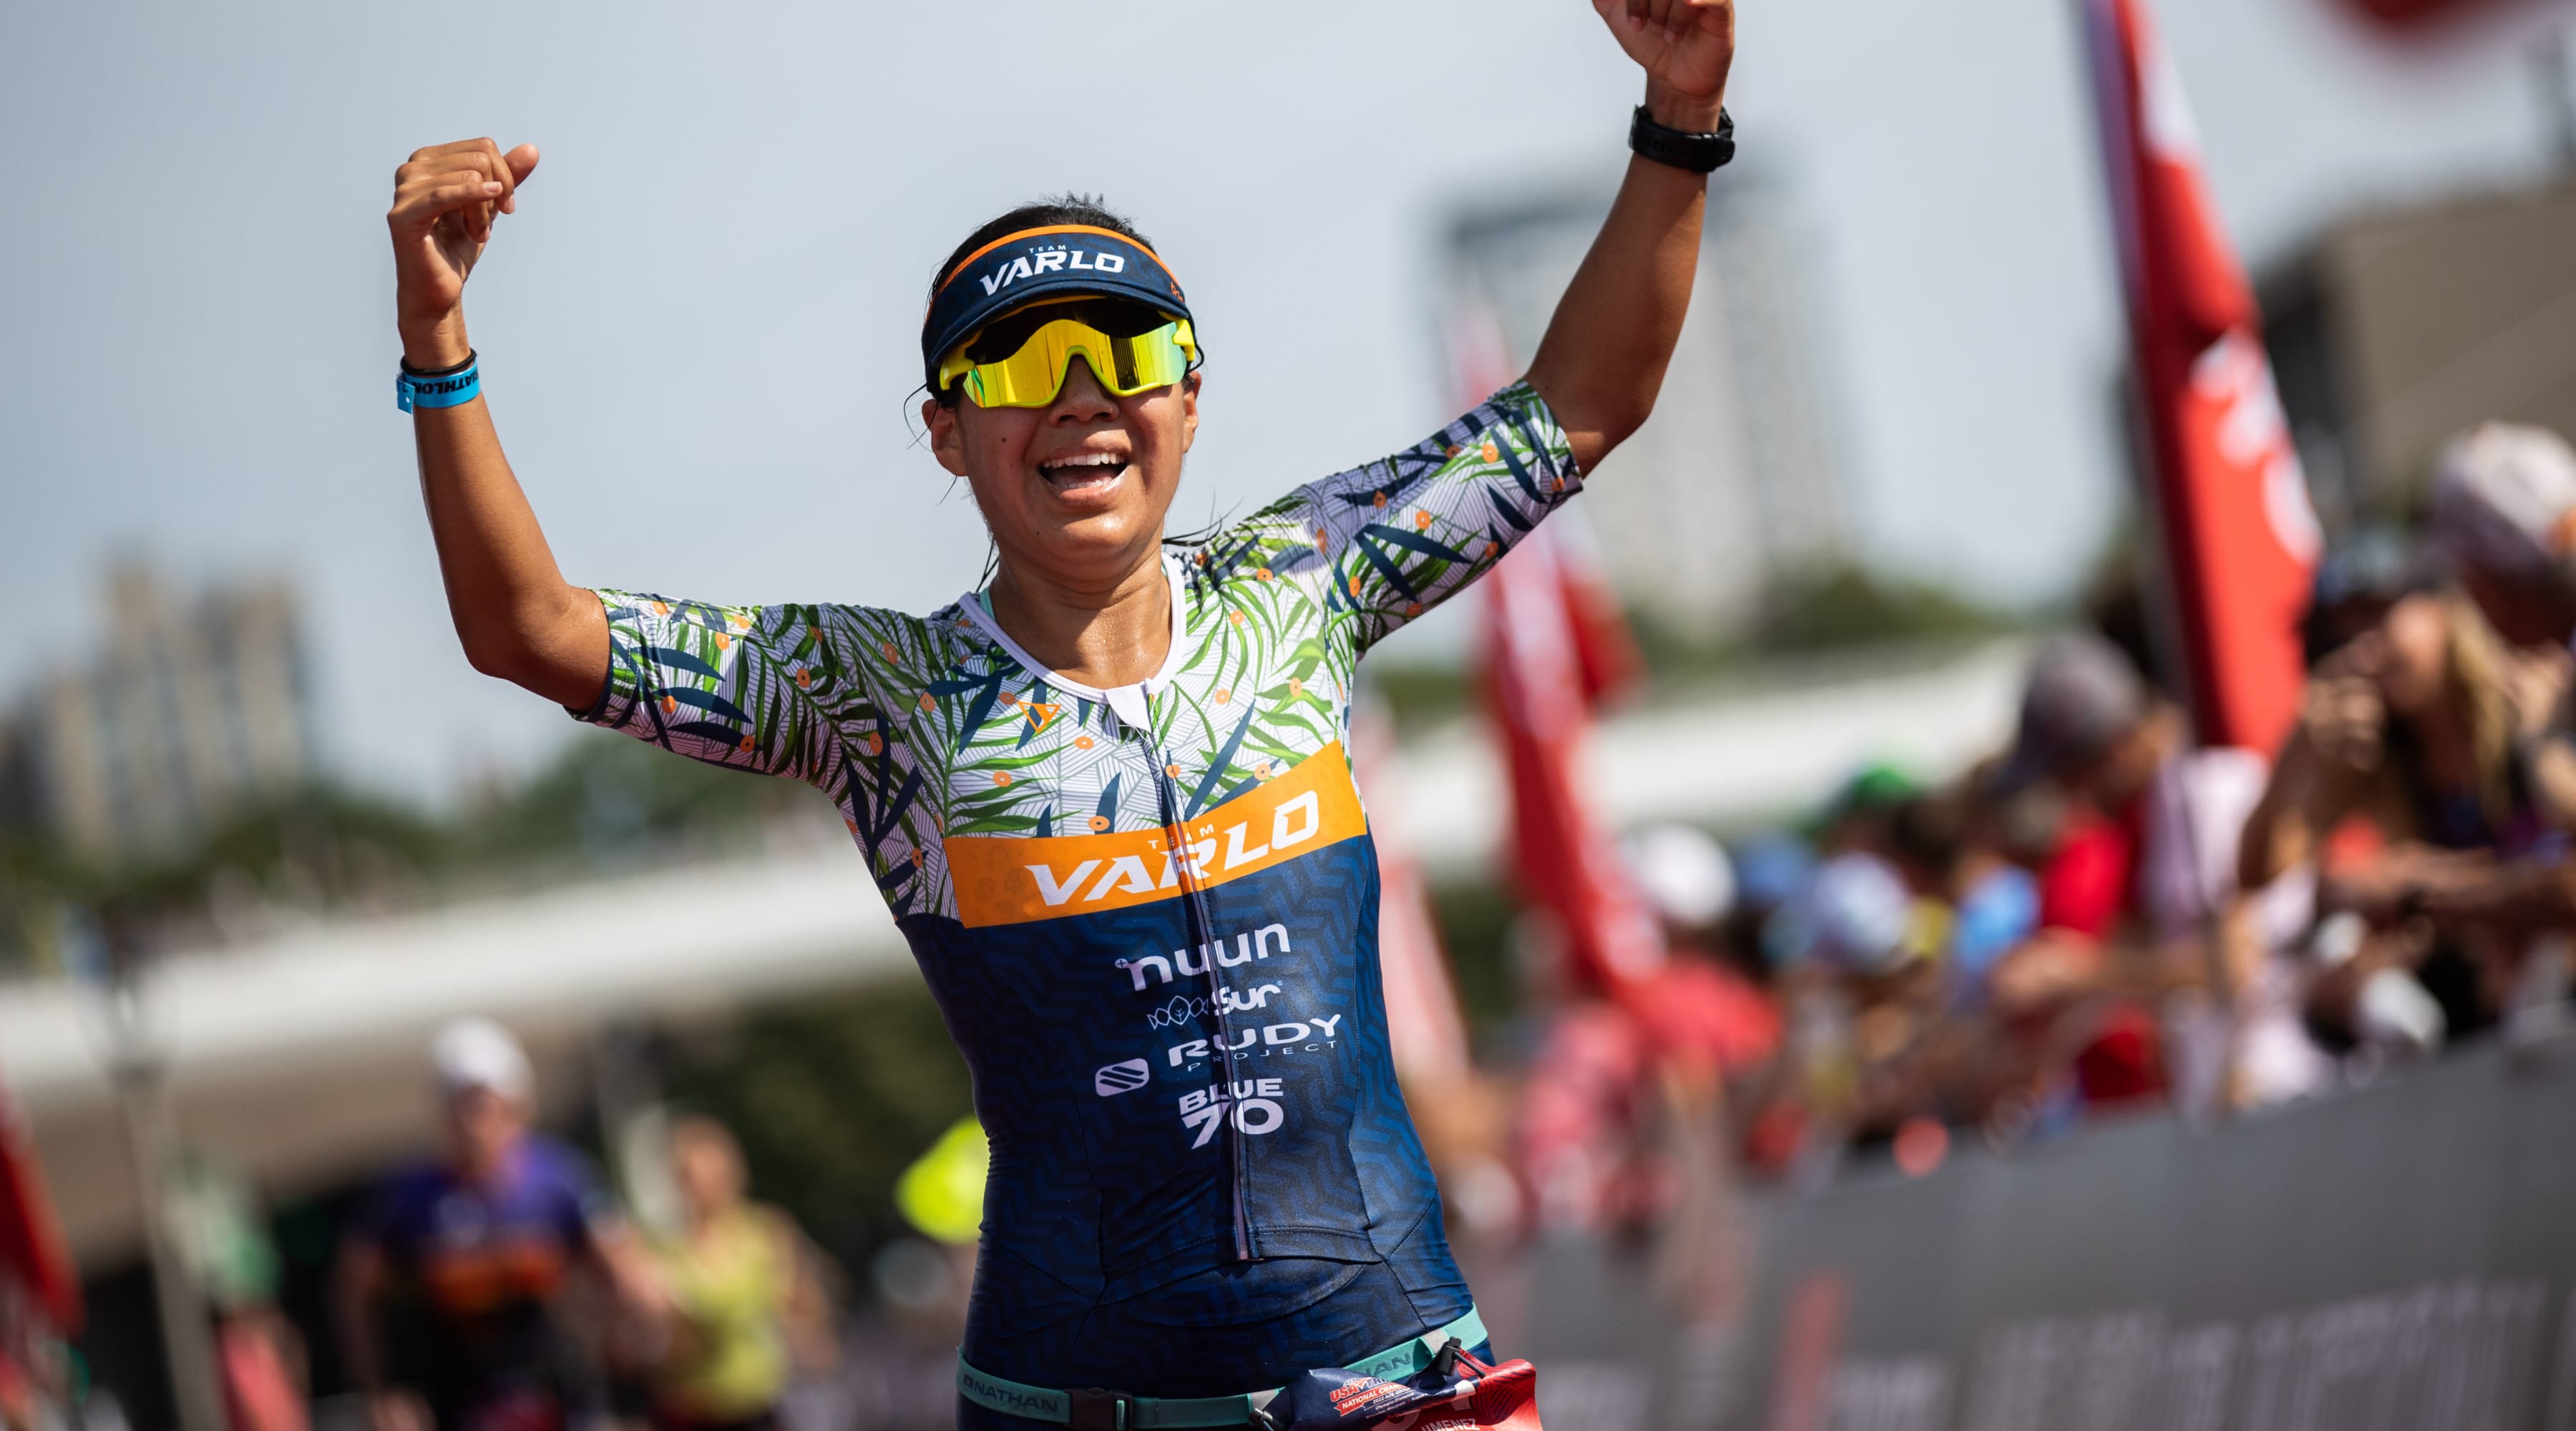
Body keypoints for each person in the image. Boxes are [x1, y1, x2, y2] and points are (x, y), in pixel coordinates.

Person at [381, 1, 1737, 1421]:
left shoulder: (1301, 582)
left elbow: (1580, 406)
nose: (1085, 396)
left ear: (1192, 395)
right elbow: (529, 630)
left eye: (1127, 351)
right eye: (1023, 365)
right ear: (947, 430)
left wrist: (1683, 112)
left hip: (1403, 1375)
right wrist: (437, 336)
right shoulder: (880, 701)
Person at [336, 1020, 658, 1431]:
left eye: (486, 1105)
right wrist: (380, 1392)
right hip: (456, 1396)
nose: (475, 1122)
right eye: (462, 1106)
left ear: (518, 1106)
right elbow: (355, 1294)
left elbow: (626, 1272)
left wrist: (631, 1340)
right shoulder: (409, 1197)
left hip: (560, 1390)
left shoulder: (562, 1179)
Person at [644, 1119, 831, 1431]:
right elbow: (669, 1348)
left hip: (765, 1403)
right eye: (694, 1178)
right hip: (698, 1410)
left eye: (714, 1175)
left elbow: (805, 1311)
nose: (707, 1187)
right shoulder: (668, 1254)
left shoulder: (766, 1232)